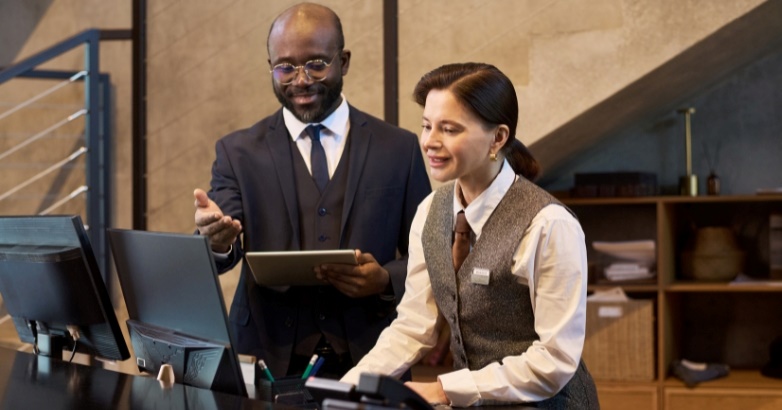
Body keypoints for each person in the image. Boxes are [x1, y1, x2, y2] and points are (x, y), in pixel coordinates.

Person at [193, 3, 431, 379]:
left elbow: (428, 255)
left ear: (344, 61)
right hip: (268, 356)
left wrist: (386, 280)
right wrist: (216, 240)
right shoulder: (237, 151)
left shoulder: (398, 149)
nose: (300, 80)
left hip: (373, 354)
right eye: (285, 67)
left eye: (316, 63)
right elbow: (222, 246)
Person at [341, 62, 599, 408]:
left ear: (498, 137)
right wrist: (350, 387)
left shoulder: (549, 225)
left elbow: (555, 361)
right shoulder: (430, 212)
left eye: (449, 129)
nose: (430, 142)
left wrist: (443, 389)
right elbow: (414, 326)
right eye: (426, 126)